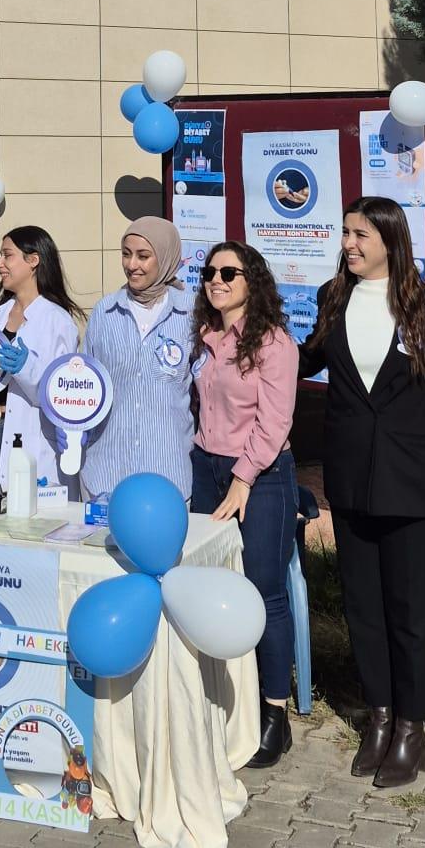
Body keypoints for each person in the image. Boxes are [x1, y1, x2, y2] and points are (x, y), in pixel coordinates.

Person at [307, 195, 425, 788]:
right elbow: (308, 357)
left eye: (360, 235)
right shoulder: (332, 298)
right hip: (350, 478)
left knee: (409, 613)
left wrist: (421, 435)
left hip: (410, 482)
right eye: (346, 233)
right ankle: (379, 717)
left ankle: (411, 728)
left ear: (391, 241)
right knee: (363, 608)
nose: (349, 244)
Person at [190, 241, 299, 768]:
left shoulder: (275, 343)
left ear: (252, 280)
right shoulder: (206, 337)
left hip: (262, 475)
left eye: (229, 273)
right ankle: (222, 702)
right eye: (209, 272)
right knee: (210, 584)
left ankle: (275, 713)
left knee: (263, 590)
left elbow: (274, 422)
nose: (217, 280)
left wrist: (243, 478)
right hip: (206, 467)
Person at [79, 217, 194, 502]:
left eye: (143, 256)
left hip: (168, 474)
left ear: (165, 257)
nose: (132, 265)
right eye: (126, 254)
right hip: (106, 473)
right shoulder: (105, 312)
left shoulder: (191, 314)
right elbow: (85, 382)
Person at [0, 226, 86, 494]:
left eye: (7, 256)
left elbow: (63, 395)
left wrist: (27, 369)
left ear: (33, 260)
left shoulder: (57, 321)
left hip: (32, 439)